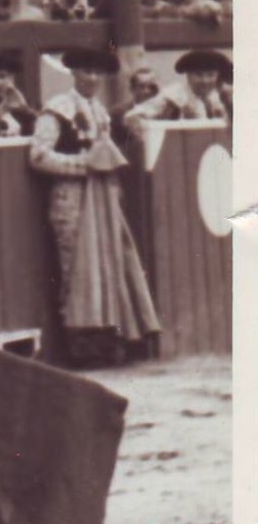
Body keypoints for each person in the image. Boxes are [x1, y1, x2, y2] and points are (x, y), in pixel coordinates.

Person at [30, 50, 161, 367]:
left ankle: (107, 342)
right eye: (86, 71)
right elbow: (38, 156)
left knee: (106, 265)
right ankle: (81, 348)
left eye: (98, 73)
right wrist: (84, 166)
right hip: (71, 197)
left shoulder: (99, 111)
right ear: (73, 73)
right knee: (76, 268)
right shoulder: (56, 110)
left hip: (101, 198)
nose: (92, 78)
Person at [124, 50, 232, 128]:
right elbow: (132, 116)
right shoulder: (173, 96)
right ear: (188, 76)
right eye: (198, 75)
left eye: (210, 75)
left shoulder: (221, 96)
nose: (205, 80)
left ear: (218, 76)